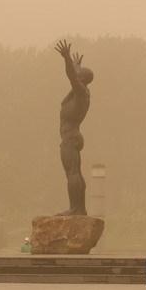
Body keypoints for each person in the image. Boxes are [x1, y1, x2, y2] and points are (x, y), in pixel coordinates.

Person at [54, 39, 93, 216]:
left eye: (79, 76)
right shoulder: (83, 92)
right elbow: (77, 76)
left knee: (72, 173)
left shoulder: (80, 92)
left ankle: (75, 208)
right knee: (75, 171)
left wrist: (67, 58)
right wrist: (77, 66)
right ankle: (80, 208)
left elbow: (72, 77)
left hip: (70, 137)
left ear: (81, 80)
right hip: (73, 135)